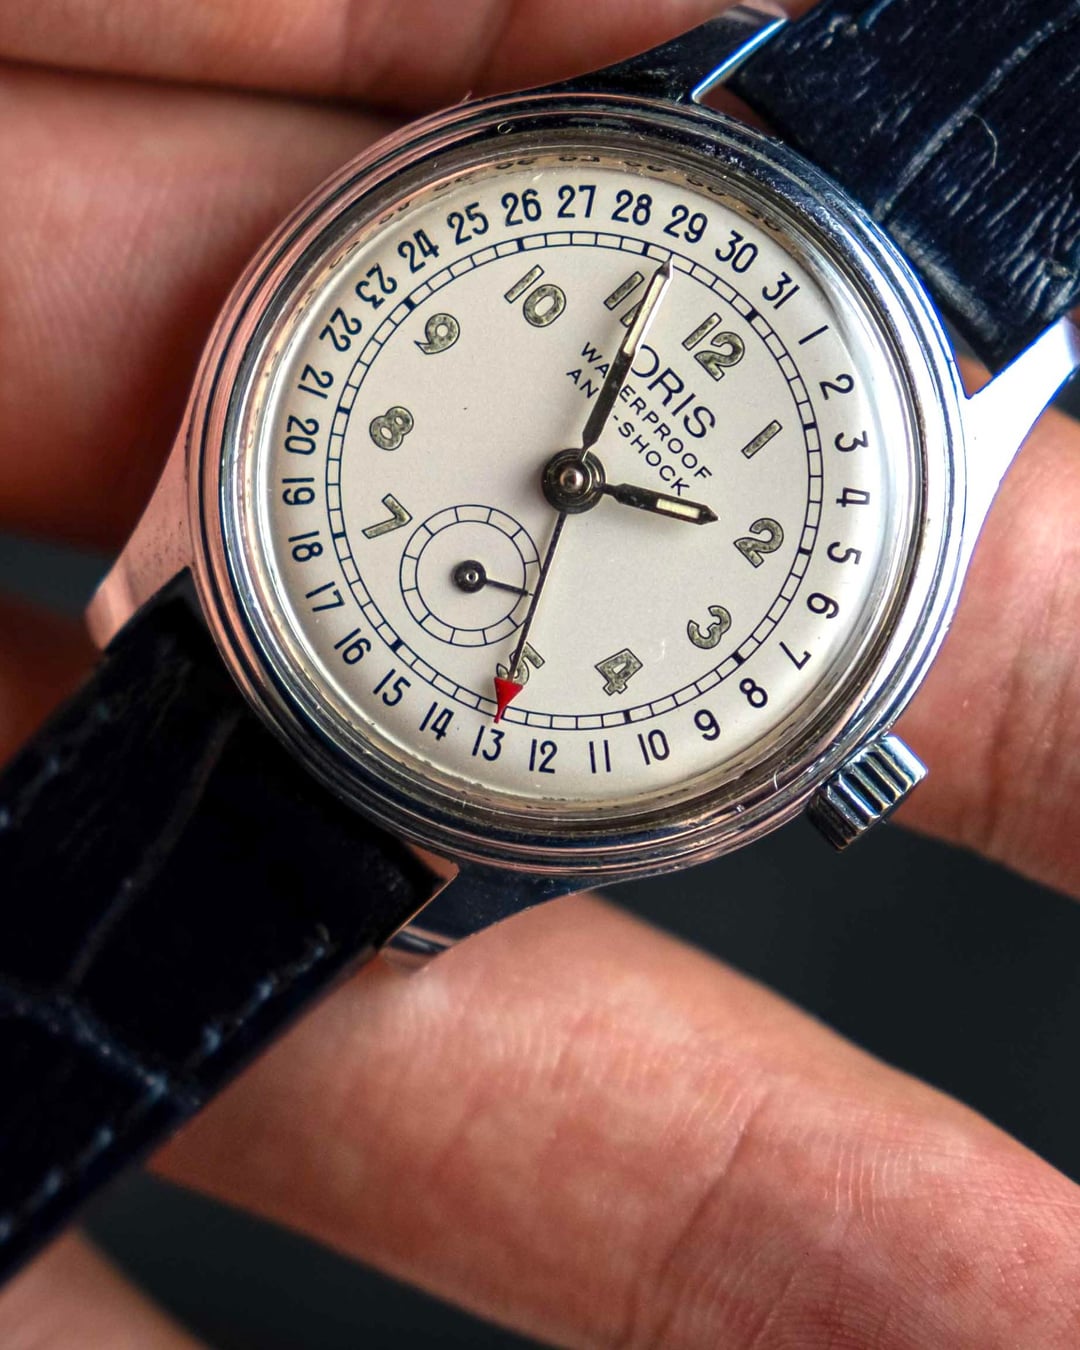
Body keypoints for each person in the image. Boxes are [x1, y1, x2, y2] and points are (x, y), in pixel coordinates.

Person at [1, 2, 1079, 1344]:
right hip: (218, 596)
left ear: (831, 743)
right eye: (586, 475)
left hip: (375, 799)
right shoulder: (713, 107)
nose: (576, 480)